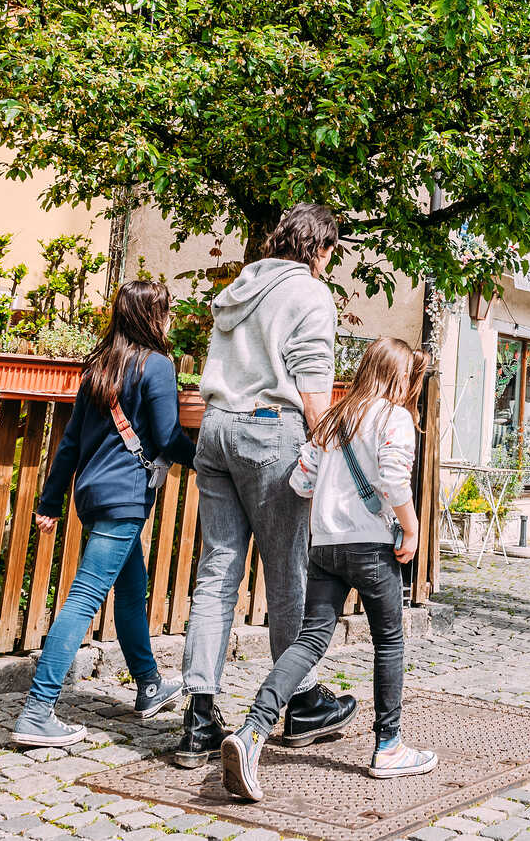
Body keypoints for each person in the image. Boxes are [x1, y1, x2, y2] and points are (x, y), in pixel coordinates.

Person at [174, 204, 356, 767]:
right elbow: (313, 386)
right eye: (329, 252)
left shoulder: (239, 287)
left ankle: (199, 717)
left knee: (217, 573)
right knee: (287, 571)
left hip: (216, 429)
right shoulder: (308, 293)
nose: (328, 262)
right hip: (269, 432)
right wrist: (328, 454)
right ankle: (299, 702)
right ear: (319, 248)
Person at [220, 338, 434, 800]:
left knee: (310, 641)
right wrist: (412, 530)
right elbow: (394, 478)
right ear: (401, 378)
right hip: (373, 549)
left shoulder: (335, 419)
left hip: (326, 548)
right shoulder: (394, 417)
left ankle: (253, 729)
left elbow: (300, 481)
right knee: (390, 641)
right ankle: (389, 746)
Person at [15, 280, 196, 747]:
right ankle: (38, 709)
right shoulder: (156, 366)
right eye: (167, 310)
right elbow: (167, 436)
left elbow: (71, 441)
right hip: (123, 498)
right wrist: (210, 461)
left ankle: (149, 683)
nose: (171, 318)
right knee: (83, 600)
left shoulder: (100, 367)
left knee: (132, 590)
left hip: (93, 493)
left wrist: (50, 501)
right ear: (151, 316)